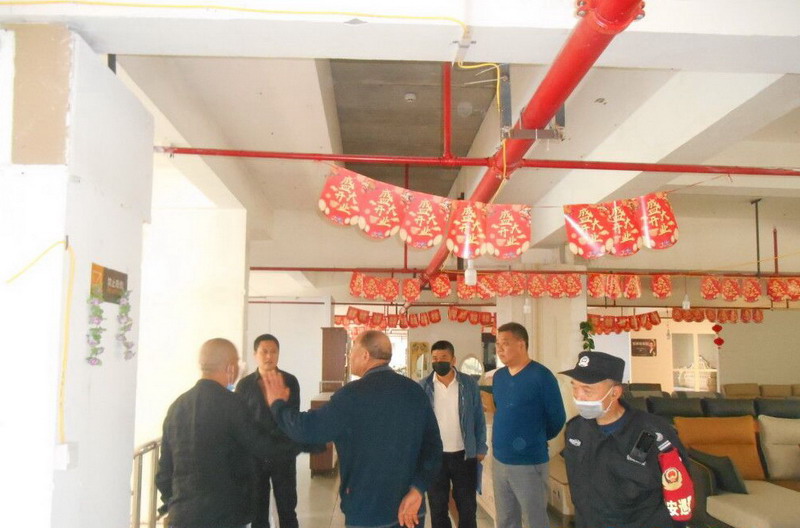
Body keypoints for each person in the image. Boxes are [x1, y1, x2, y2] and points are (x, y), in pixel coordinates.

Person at [264, 330, 442, 528]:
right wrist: (418, 489)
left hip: (368, 512)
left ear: (365, 355)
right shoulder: (414, 392)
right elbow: (434, 448)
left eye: (352, 349)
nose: (348, 355)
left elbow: (307, 429)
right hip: (410, 510)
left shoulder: (351, 396)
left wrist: (277, 405)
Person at [560, 351, 692, 528]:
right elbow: (579, 487)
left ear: (614, 393)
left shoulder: (654, 432)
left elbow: (679, 492)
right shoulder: (575, 430)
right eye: (575, 387)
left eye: (587, 390)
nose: (578, 396)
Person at [156, 338, 271, 528]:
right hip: (225, 515)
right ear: (230, 367)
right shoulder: (234, 404)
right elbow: (257, 449)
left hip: (183, 515)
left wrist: (175, 503)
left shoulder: (177, 406)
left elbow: (164, 473)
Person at [491, 322, 566, 528]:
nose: (499, 349)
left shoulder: (542, 376)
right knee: (505, 519)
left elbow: (557, 419)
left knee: (534, 520)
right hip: (499, 460)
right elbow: (501, 408)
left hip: (529, 462)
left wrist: (534, 438)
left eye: (505, 343)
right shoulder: (499, 377)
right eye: (497, 344)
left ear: (521, 344)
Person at [235, 334, 302, 528]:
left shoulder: (290, 381)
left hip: (283, 453)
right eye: (264, 351)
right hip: (255, 456)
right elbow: (241, 421)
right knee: (258, 510)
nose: (269, 356)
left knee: (287, 508)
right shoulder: (245, 385)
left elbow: (292, 416)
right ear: (255, 354)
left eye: (273, 352)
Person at [419, 340, 487, 528]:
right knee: (438, 507)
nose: (438, 361)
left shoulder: (468, 384)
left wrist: (481, 447)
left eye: (443, 357)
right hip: (435, 457)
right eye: (435, 358)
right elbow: (419, 422)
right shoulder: (424, 386)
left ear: (453, 360)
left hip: (464, 455)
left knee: (467, 507)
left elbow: (478, 418)